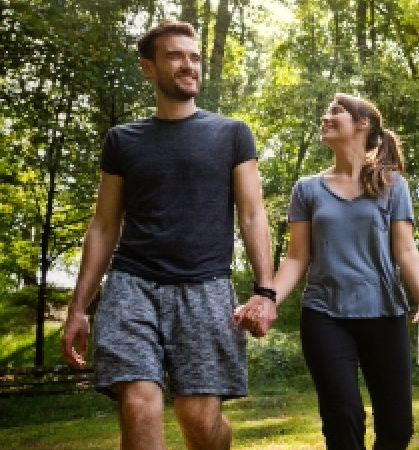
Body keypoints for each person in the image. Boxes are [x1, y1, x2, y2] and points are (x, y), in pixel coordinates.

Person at [60, 20, 276, 450]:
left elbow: (253, 215)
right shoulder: (122, 140)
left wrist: (265, 292)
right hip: (131, 284)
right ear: (148, 68)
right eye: (175, 56)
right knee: (139, 406)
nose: (188, 65)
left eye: (194, 57)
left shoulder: (232, 133)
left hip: (206, 286)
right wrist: (78, 307)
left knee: (200, 420)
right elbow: (104, 225)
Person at [234, 93, 419, 450]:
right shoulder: (307, 189)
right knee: (342, 420)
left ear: (362, 125)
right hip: (325, 315)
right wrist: (268, 297)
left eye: (336, 112)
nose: (325, 117)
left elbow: (405, 249)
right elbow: (297, 259)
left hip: (384, 313)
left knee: (397, 429)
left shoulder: (392, 185)